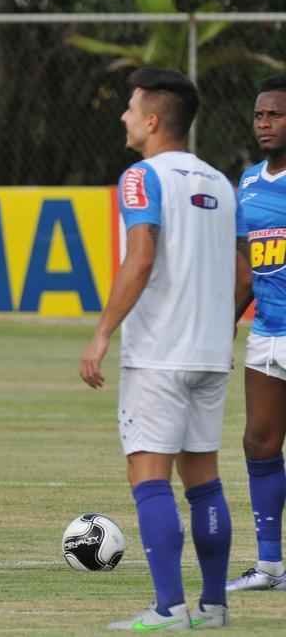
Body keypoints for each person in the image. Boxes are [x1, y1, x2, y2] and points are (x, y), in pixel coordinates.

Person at [79, 67, 236, 630]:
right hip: (210, 353)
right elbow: (238, 267)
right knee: (205, 481)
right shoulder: (220, 181)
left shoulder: (141, 178)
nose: (122, 116)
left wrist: (101, 332)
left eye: (129, 108)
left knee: (150, 478)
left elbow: (140, 258)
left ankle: (169, 607)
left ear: (151, 120)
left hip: (159, 354)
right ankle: (214, 606)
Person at [228, 74, 286, 594]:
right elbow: (247, 267)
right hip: (267, 331)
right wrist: (224, 324)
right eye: (259, 115)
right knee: (260, 441)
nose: (265, 123)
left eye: (276, 115)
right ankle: (270, 565)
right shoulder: (247, 182)